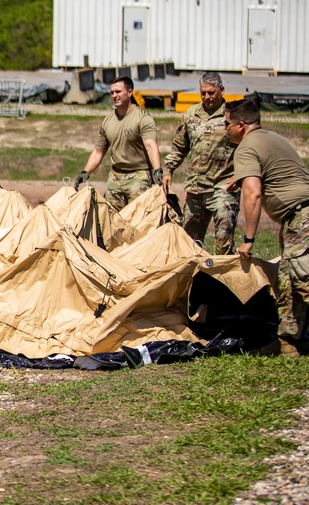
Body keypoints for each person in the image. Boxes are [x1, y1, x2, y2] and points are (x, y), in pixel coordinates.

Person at [227, 99, 309, 352]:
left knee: (304, 280)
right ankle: (287, 342)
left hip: (302, 217)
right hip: (297, 218)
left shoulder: (246, 147)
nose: (224, 129)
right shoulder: (274, 138)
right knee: (288, 278)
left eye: (226, 123)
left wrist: (249, 239)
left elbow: (253, 194)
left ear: (241, 126)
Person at [161, 72, 239, 254]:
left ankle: (222, 279)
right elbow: (179, 147)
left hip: (223, 187)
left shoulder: (232, 115)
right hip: (196, 188)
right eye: (203, 93)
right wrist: (168, 170)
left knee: (223, 240)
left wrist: (241, 173)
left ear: (222, 90)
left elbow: (247, 148)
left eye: (211, 93)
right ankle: (193, 280)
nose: (207, 97)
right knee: (187, 242)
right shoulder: (191, 114)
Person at [74, 76, 163, 212]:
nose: (114, 96)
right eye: (112, 93)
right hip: (115, 178)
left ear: (130, 92)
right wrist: (85, 172)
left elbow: (151, 146)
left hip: (139, 177)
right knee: (110, 221)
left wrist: (157, 171)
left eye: (118, 92)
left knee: (138, 220)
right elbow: (98, 151)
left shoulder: (143, 118)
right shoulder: (108, 121)